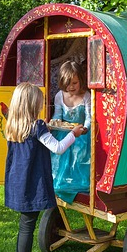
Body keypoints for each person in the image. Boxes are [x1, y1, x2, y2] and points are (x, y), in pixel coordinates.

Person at [4, 82, 84, 252]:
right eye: (39, 101)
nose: (41, 104)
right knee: (27, 228)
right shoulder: (37, 126)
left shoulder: (15, 125)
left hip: (18, 182)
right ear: (31, 104)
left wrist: (46, 128)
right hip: (31, 185)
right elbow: (57, 148)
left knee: (24, 225)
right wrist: (73, 134)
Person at [50, 60, 91, 204]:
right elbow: (57, 116)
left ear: (80, 80)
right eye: (68, 83)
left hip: (82, 133)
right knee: (61, 157)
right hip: (65, 132)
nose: (71, 87)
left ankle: (79, 185)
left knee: (79, 156)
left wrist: (85, 129)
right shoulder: (60, 96)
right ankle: (62, 184)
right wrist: (54, 125)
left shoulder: (86, 96)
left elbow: (89, 117)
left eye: (75, 83)